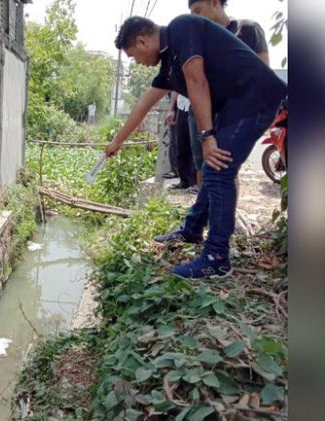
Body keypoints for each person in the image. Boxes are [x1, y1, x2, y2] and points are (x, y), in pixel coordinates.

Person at [104, 15, 286, 279]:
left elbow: (197, 81)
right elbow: (143, 105)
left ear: (142, 41)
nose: (138, 63)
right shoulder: (168, 65)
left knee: (218, 170)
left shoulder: (182, 28)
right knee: (212, 168)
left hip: (255, 98)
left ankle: (217, 257)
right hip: (236, 106)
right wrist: (116, 142)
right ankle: (192, 229)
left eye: (133, 56)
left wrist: (207, 136)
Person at [187, 0, 271, 187]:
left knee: (225, 167)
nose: (195, 17)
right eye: (192, 13)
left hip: (232, 113)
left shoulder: (247, 29)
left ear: (215, 3)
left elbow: (264, 73)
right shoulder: (199, 40)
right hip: (201, 113)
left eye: (198, 11)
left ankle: (224, 214)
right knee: (203, 164)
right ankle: (205, 214)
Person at [166, 92, 197, 191]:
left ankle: (195, 182)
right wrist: (171, 109)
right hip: (181, 107)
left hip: (197, 106)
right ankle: (184, 180)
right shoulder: (179, 77)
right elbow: (175, 89)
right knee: (181, 144)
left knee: (195, 146)